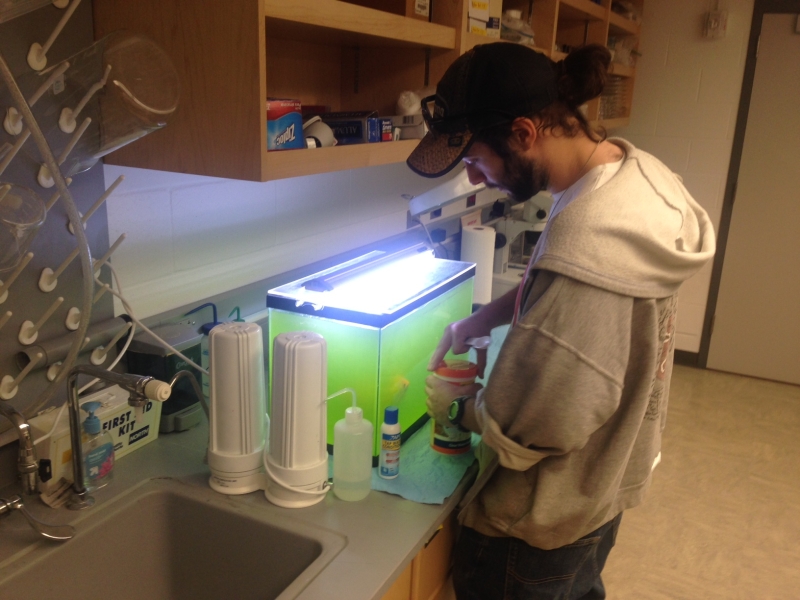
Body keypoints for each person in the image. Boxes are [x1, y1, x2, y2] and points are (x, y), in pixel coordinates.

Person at [406, 42, 716, 599]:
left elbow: (541, 424)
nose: (475, 180)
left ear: (525, 133)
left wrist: (456, 407)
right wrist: (487, 317)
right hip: (600, 485)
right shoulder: (634, 175)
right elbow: (564, 281)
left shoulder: (588, 240)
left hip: (534, 525)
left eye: (476, 160)